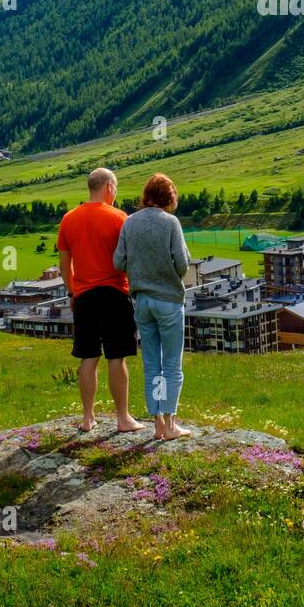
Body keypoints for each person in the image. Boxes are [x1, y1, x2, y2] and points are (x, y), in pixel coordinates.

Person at [56, 167, 143, 433]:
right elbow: (129, 260)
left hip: (84, 297)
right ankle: (123, 418)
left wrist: (72, 292)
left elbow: (64, 264)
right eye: (115, 188)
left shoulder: (69, 219)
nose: (115, 194)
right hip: (115, 294)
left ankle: (87, 417)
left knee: (88, 357)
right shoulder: (120, 218)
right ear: (109, 187)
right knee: (117, 357)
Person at [114, 173, 192, 441]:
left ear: (146, 195)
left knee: (152, 364)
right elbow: (182, 264)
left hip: (142, 301)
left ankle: (157, 422)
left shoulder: (130, 222)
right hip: (168, 300)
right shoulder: (171, 223)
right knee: (172, 364)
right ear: (170, 198)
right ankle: (170, 423)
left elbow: (118, 261)